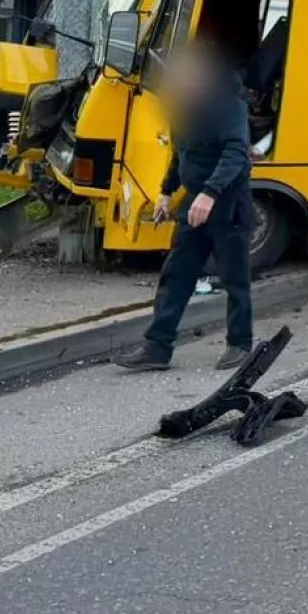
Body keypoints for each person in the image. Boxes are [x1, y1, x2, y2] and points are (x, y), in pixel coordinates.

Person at [116, 41, 254, 372]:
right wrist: (167, 191)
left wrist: (210, 193)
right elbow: (182, 153)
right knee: (176, 273)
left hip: (227, 202)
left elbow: (236, 152)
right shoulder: (183, 107)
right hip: (195, 202)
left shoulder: (228, 105)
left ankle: (240, 344)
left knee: (234, 278)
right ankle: (157, 346)